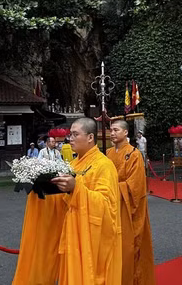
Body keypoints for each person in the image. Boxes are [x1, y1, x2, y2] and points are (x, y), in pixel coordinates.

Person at [53, 118, 122, 283]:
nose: (70, 138)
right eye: (70, 134)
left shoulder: (104, 165)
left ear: (90, 137)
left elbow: (106, 205)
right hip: (74, 233)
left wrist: (76, 189)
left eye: (75, 134)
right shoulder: (73, 164)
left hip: (93, 240)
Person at [106, 120, 155, 285]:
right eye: (111, 130)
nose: (112, 133)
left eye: (116, 130)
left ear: (126, 132)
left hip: (127, 207)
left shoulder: (134, 154)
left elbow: (135, 186)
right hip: (110, 206)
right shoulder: (107, 153)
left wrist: (110, 187)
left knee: (130, 247)